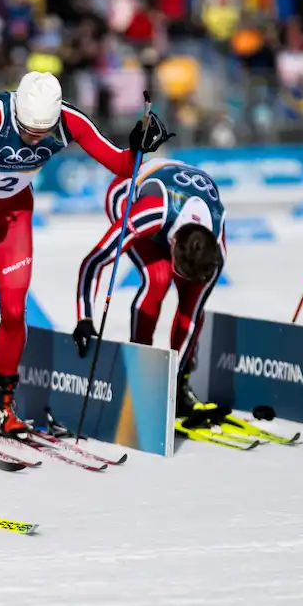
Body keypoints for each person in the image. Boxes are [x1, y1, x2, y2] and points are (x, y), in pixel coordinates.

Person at [0, 72, 167, 436]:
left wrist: (139, 147)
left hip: (15, 211)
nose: (35, 139)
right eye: (27, 130)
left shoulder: (70, 121)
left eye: (42, 132)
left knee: (15, 308)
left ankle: (2, 402)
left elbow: (120, 166)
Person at [72, 154, 226, 418]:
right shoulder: (150, 213)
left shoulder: (217, 252)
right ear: (173, 244)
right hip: (128, 192)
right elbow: (94, 261)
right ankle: (139, 371)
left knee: (191, 302)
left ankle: (181, 382)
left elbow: (192, 316)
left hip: (180, 204)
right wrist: (85, 317)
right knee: (158, 279)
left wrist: (175, 379)